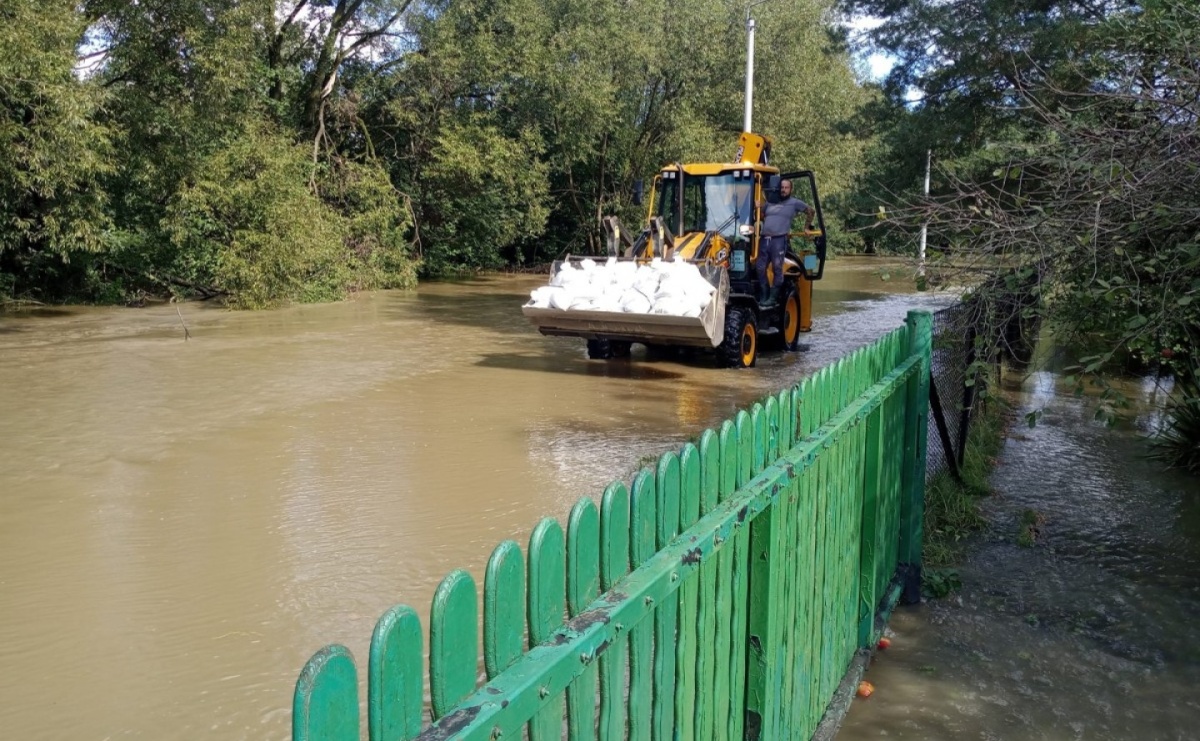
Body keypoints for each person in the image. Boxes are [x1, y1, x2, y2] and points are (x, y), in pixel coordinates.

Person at [756, 179, 815, 301]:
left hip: (779, 239)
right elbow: (761, 215)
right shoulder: (770, 202)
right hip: (765, 239)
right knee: (760, 267)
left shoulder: (794, 203)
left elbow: (811, 211)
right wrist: (758, 207)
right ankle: (764, 294)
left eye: (786, 187)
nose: (783, 190)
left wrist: (807, 227)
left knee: (777, 268)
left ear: (790, 189)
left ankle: (772, 298)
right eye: (782, 187)